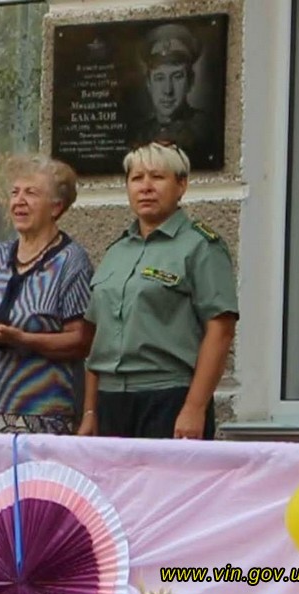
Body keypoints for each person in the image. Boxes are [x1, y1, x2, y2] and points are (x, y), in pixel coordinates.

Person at [78, 141, 238, 440]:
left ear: (181, 185)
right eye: (137, 178)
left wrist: (194, 407)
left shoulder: (201, 246)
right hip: (110, 400)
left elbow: (221, 330)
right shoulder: (117, 251)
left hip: (169, 396)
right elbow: (97, 337)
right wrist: (90, 411)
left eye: (158, 177)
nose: (146, 187)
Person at [0, 154, 94, 435]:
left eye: (31, 193)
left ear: (56, 207)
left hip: (44, 415)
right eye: (14, 192)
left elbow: (81, 340)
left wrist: (22, 339)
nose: (19, 201)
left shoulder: (72, 261)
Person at [131, 22, 216, 160]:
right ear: (149, 83)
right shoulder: (141, 134)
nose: (168, 90)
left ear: (190, 81)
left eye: (177, 77)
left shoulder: (206, 129)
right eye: (159, 78)